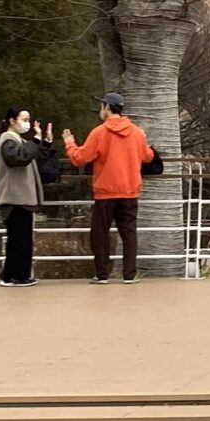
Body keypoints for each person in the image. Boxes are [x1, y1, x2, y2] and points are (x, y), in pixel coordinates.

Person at [63, 94, 156, 283]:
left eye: (101, 106)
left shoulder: (99, 132)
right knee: (129, 233)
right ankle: (129, 274)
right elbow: (147, 156)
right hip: (130, 190)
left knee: (99, 232)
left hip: (106, 191)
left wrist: (70, 144)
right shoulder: (137, 133)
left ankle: (102, 274)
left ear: (106, 107)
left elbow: (80, 158)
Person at [0, 109, 55, 286]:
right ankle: (15, 276)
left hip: (22, 198)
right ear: (12, 120)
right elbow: (19, 158)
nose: (28, 123)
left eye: (29, 119)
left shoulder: (18, 140)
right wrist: (36, 140)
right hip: (14, 198)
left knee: (21, 239)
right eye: (24, 119)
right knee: (18, 240)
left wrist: (46, 142)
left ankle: (15, 275)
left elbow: (34, 159)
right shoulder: (7, 139)